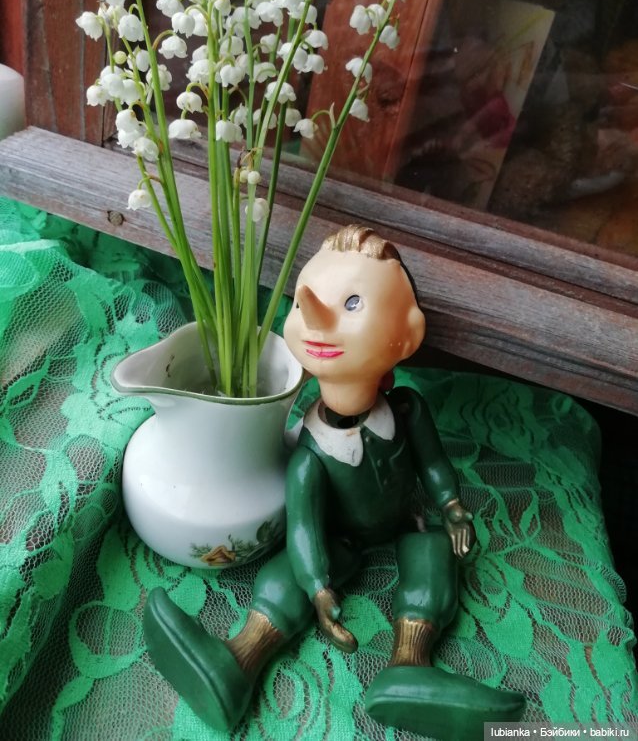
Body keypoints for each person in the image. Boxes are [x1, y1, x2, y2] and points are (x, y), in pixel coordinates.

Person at [144, 225, 525, 739]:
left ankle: (410, 664)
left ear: (408, 334)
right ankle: (239, 658)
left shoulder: (407, 410)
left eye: (352, 304)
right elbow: (303, 529)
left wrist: (452, 505)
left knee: (433, 550)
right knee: (294, 570)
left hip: (405, 520)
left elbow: (434, 465)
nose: (317, 320)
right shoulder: (310, 457)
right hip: (339, 538)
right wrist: (318, 587)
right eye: (310, 303)